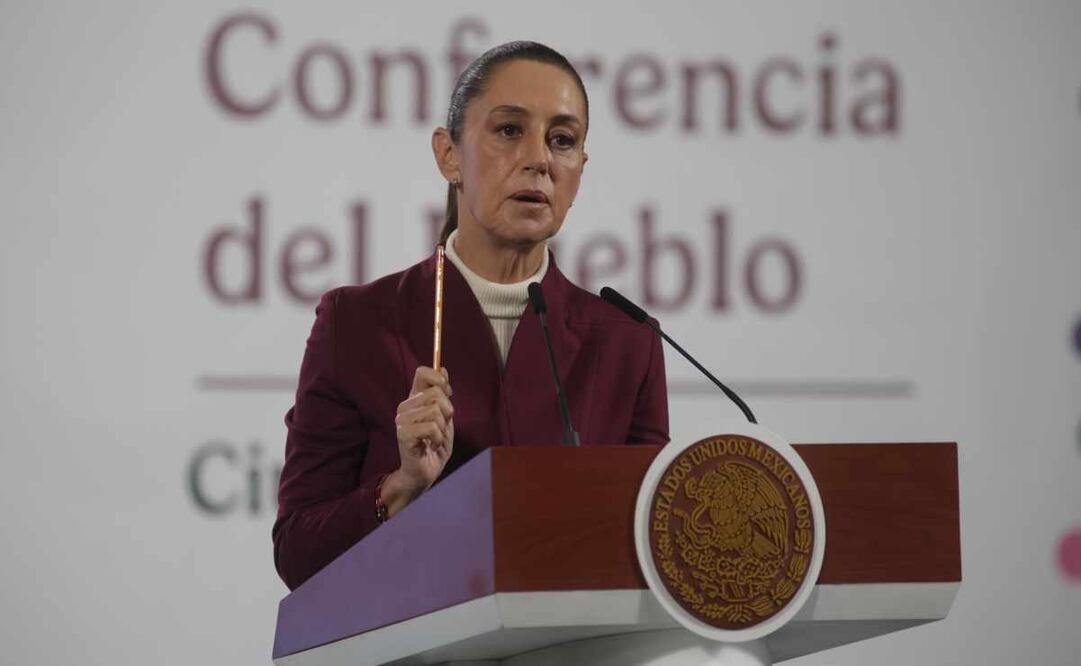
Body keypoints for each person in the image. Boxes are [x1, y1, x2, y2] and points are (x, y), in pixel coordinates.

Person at [273, 41, 669, 591]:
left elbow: (652, 553)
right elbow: (297, 554)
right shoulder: (357, 324)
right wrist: (402, 486)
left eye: (563, 140)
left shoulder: (627, 343)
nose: (539, 159)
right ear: (448, 155)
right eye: (509, 131)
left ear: (580, 170)